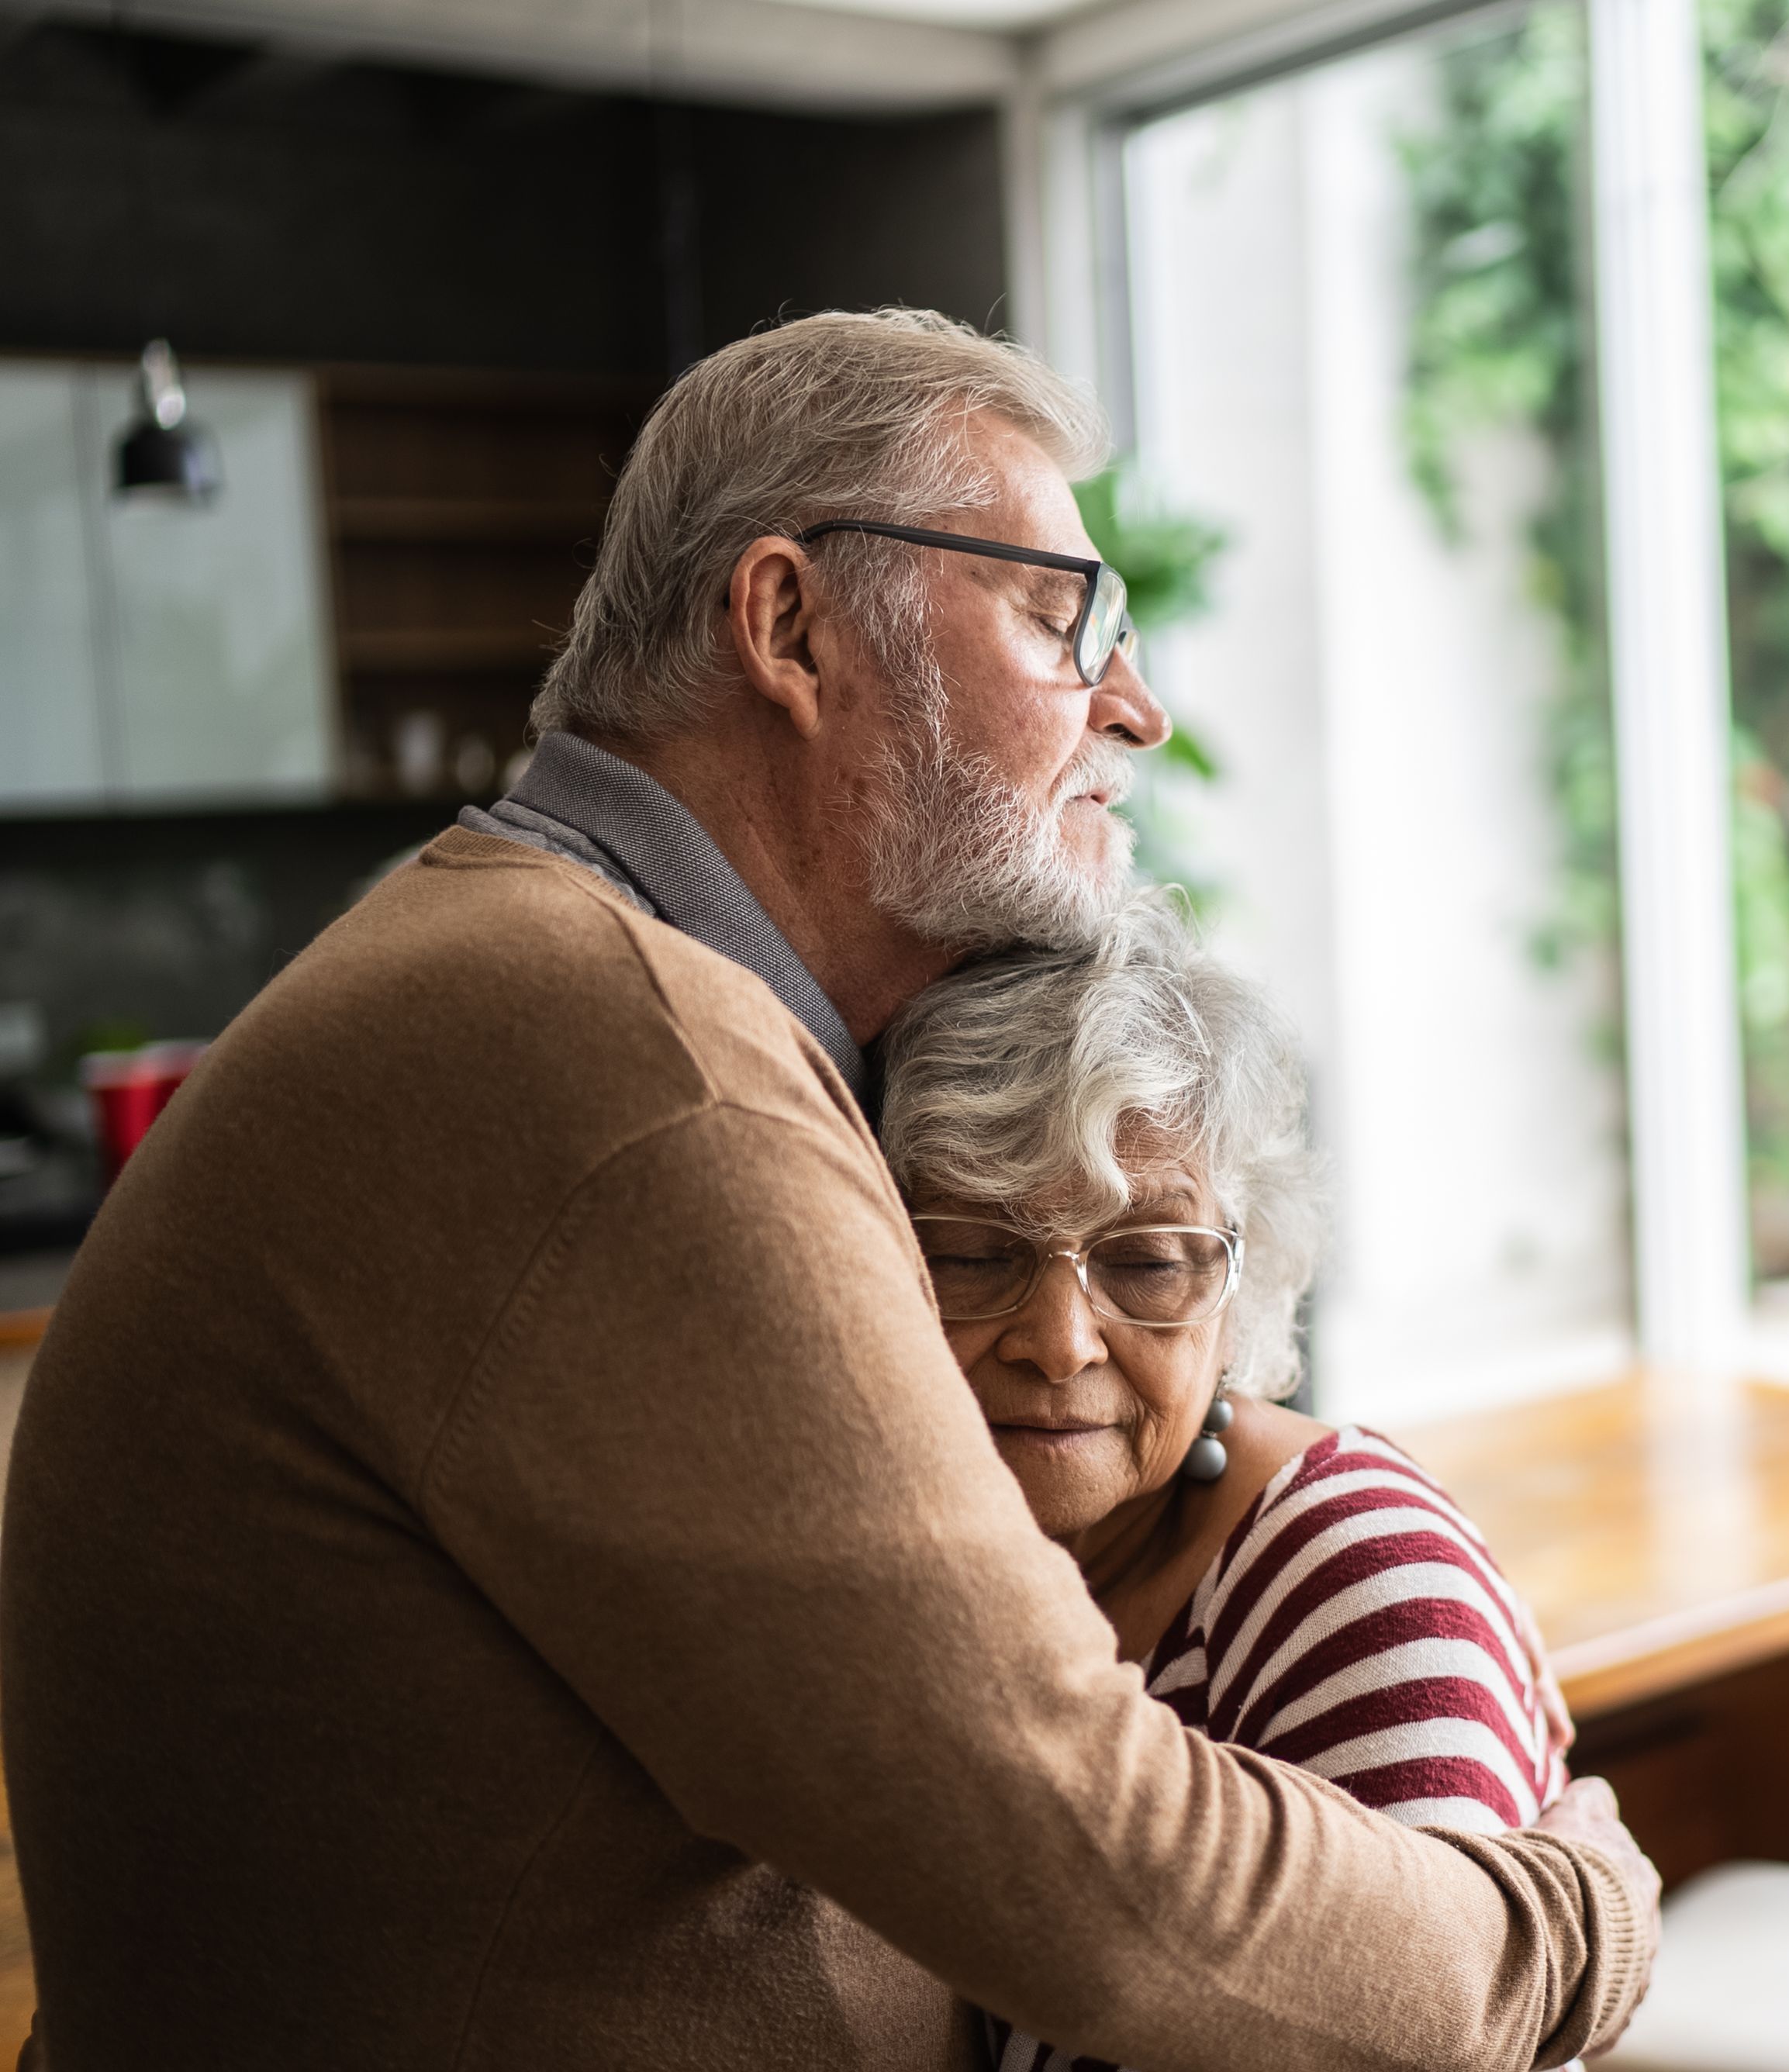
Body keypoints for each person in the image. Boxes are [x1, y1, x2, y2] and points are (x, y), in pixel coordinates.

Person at [0, 310, 1653, 2068]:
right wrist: (1564, 1925)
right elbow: (1088, 1857)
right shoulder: (633, 1061)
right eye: (1056, 613)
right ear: (788, 625)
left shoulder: (542, 975)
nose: (1137, 705)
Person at [878, 897, 1579, 2072]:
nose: (1060, 1341)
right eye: (974, 1253)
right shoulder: (913, 1567)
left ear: (1241, 1286)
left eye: (1148, 1260)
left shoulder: (1358, 1574)